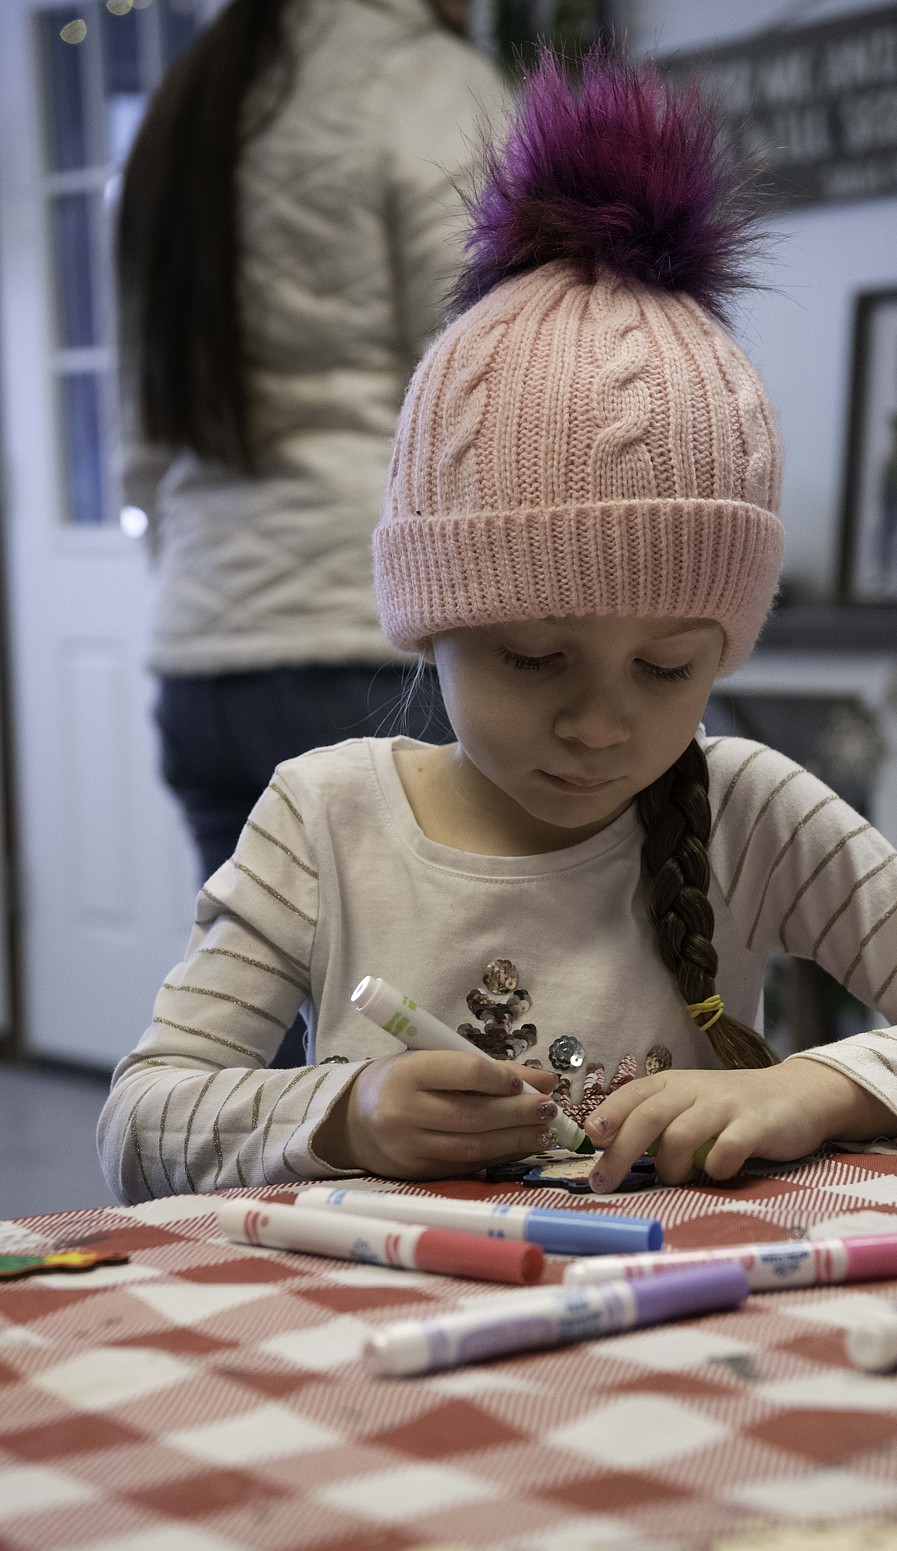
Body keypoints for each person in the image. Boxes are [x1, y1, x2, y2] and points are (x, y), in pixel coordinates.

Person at [98, 53, 897, 1202]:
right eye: (532, 658)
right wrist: (343, 1113)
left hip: (679, 1341)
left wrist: (801, 1087)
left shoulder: (750, 815)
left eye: (667, 666)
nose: (603, 724)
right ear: (431, 626)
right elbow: (141, 1122)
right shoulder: (325, 827)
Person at [116, 0, 506, 886]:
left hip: (204, 657)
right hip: (365, 650)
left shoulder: (187, 106)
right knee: (426, 1019)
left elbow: (142, 436)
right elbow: (484, 392)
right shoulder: (428, 85)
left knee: (261, 1012)